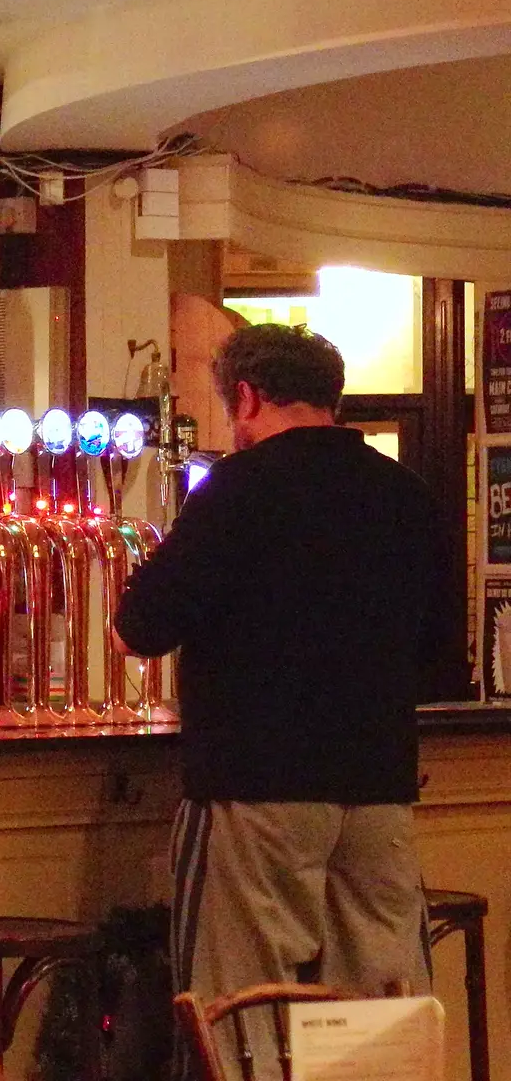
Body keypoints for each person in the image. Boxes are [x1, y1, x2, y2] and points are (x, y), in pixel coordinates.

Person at [113, 324, 450, 1077]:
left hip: (255, 787)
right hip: (378, 786)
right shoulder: (405, 494)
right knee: (383, 1007)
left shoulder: (236, 490)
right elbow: (439, 648)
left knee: (243, 1006)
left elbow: (140, 629)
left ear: (246, 396)